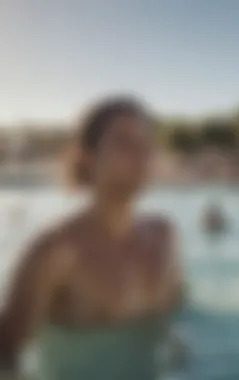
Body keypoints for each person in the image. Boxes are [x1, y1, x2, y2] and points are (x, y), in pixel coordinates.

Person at [0, 96, 187, 380]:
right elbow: (6, 356)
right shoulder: (57, 252)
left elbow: (176, 317)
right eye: (124, 142)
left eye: (146, 143)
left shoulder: (164, 237)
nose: (141, 154)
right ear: (87, 156)